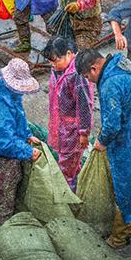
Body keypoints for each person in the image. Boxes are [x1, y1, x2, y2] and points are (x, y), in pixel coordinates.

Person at [77, 49, 131, 248]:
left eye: (88, 76)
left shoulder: (110, 84)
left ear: (95, 67)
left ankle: (120, 236)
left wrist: (102, 142)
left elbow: (112, 125)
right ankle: (130, 219)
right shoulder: (122, 63)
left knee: (126, 186)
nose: (89, 81)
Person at [0, 58, 43, 225]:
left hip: (5, 150)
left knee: (11, 188)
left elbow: (18, 113)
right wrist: (28, 152)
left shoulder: (5, 89)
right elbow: (5, 142)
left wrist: (26, 134)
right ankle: (0, 229)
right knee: (1, 198)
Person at [45, 37, 92, 189]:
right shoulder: (58, 69)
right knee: (69, 162)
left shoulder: (77, 75)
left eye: (55, 60)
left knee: (66, 167)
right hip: (59, 124)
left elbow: (85, 106)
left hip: (72, 131)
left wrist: (83, 133)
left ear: (69, 54)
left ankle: (68, 194)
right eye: (50, 61)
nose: (52, 65)